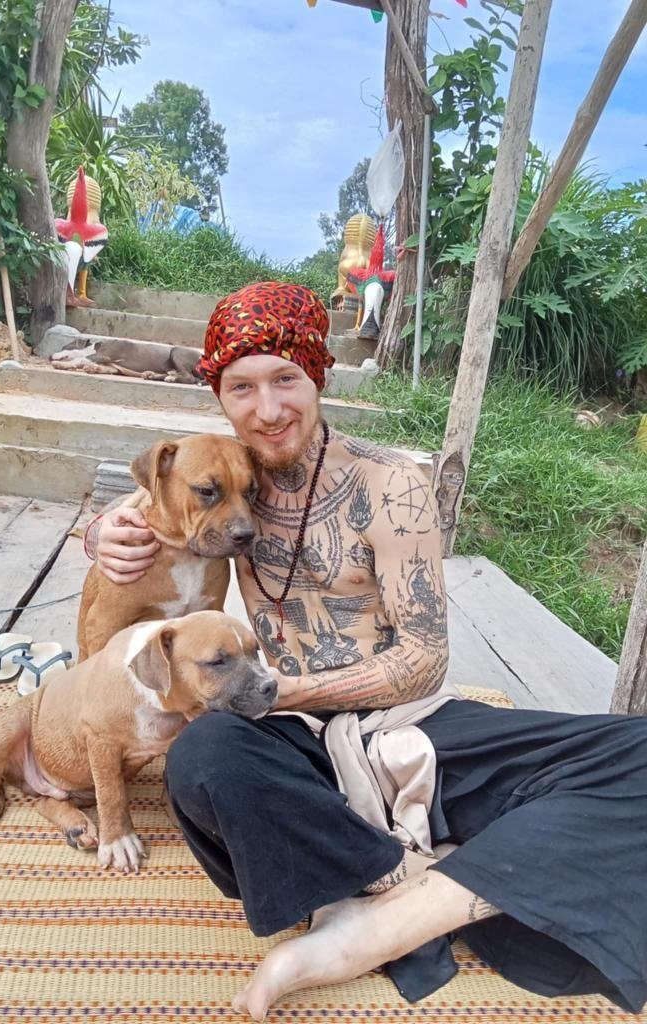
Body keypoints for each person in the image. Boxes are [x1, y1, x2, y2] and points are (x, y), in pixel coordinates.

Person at [85, 282, 647, 1021]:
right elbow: (144, 510)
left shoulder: (390, 487)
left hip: (408, 723)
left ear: (318, 373)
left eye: (286, 378)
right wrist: (96, 532)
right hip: (283, 744)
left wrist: (279, 694)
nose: (268, 408)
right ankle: (454, 863)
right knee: (204, 761)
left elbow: (423, 658)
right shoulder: (212, 484)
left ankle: (376, 915)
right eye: (241, 387)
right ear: (219, 397)